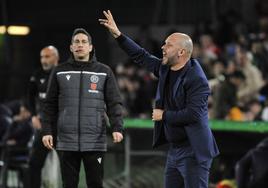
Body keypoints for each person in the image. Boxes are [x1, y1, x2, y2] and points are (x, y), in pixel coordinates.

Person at [99, 10, 219, 188]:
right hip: (175, 150)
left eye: (168, 45)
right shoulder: (165, 68)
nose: (163, 47)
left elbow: (193, 114)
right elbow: (141, 56)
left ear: (181, 52)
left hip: (194, 150)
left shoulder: (197, 79)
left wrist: (164, 115)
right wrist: (119, 35)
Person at [42, 28, 124, 188]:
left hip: (95, 141)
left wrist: (117, 127)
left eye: (84, 42)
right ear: (71, 47)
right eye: (76, 42)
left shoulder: (104, 71)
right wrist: (47, 131)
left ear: (91, 47)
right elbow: (49, 105)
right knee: (69, 184)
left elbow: (114, 102)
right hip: (66, 141)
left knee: (95, 183)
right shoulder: (59, 71)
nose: (80, 45)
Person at [27, 45, 59, 188]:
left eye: (47, 56)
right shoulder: (37, 74)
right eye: (42, 57)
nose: (43, 60)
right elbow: (29, 96)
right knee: (34, 163)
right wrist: (33, 116)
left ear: (56, 58)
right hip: (43, 127)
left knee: (69, 165)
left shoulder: (63, 74)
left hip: (61, 127)